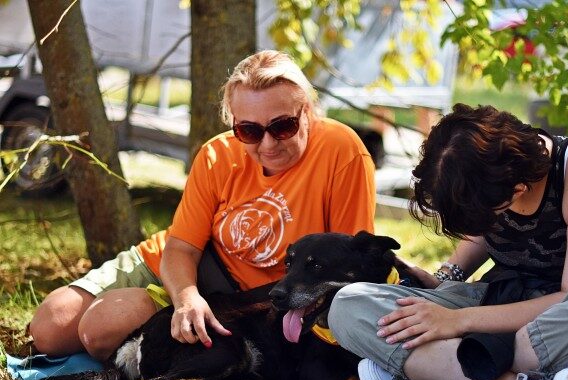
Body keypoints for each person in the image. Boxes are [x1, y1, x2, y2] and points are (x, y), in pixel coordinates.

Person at [30, 50, 376, 361]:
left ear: (308, 112)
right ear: (234, 123)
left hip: (244, 299)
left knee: (101, 328)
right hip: (177, 266)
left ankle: (139, 327)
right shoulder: (216, 153)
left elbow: (345, 261)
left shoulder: (342, 151)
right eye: (249, 130)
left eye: (283, 126)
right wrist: (185, 297)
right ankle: (149, 321)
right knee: (49, 328)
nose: (268, 143)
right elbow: (181, 246)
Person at [328, 104, 568, 380]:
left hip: (561, 323)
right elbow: (479, 231)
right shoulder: (487, 170)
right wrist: (446, 278)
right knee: (349, 305)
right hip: (497, 300)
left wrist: (459, 321)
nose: (484, 226)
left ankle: (434, 374)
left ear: (518, 189)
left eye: (488, 216)